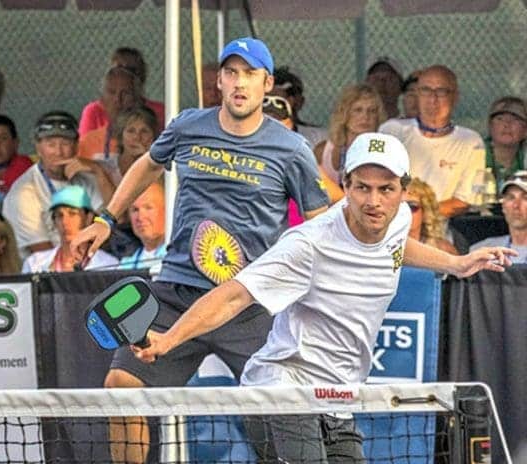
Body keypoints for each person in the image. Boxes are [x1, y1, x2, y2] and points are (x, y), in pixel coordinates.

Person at [133, 132, 515, 463]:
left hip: (337, 397)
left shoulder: (396, 219)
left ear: (403, 190)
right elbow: (233, 296)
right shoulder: (308, 244)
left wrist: (456, 263)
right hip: (280, 389)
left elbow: (399, 246)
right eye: (362, 187)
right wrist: (169, 338)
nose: (373, 201)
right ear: (345, 186)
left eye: (386, 189)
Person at [71, 37, 329, 463]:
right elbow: (148, 163)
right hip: (173, 294)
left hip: (248, 305)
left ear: (267, 85)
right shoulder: (188, 126)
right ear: (221, 82)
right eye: (231, 73)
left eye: (249, 74)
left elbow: (321, 222)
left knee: (282, 421)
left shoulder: (291, 149)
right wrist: (105, 219)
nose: (239, 82)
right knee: (121, 388)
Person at [2, 111, 113, 258]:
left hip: (89, 261)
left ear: (76, 147)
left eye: (65, 144)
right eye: (51, 144)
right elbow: (43, 255)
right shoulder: (24, 193)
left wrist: (99, 171)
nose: (59, 152)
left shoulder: (87, 178)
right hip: (44, 270)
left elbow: (117, 219)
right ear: (38, 148)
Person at [380, 65, 485, 218]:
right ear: (417, 94)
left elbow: (464, 201)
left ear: (455, 96)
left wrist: (419, 216)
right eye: (426, 90)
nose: (433, 99)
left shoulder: (471, 142)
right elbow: (377, 183)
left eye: (441, 91)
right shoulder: (391, 131)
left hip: (441, 231)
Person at [262, 94, 343, 227]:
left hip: (294, 240)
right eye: (268, 121)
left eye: (278, 122)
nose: (273, 128)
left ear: (290, 125)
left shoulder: (299, 159)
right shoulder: (245, 157)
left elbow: (341, 200)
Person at [22, 186, 118, 273]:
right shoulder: (34, 263)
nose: (64, 221)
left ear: (89, 217)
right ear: (54, 221)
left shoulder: (109, 264)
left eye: (72, 214)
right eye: (59, 215)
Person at [79, 47, 165, 136]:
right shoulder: (94, 111)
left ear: (143, 75)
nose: (124, 74)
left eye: (132, 70)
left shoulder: (160, 112)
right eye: (118, 68)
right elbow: (85, 145)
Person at [316, 83, 386, 186]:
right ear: (344, 114)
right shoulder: (322, 151)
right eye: (358, 110)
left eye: (372, 111)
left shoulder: (385, 152)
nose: (365, 117)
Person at [78, 66, 143, 161]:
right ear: (101, 100)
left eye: (125, 93)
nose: (118, 99)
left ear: (137, 99)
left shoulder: (148, 140)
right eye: (112, 92)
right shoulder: (87, 142)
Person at [471, 171, 527, 263]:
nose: (516, 205)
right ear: (503, 206)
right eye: (511, 197)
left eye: (525, 198)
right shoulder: (482, 252)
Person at [272, 66, 327, 147]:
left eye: (278, 100)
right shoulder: (251, 138)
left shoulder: (319, 137)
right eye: (266, 99)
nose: (271, 105)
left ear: (299, 101)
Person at [118, 182, 166, 270]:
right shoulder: (125, 265)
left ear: (167, 210)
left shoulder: (178, 257)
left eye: (148, 208)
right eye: (135, 210)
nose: (140, 217)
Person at [483, 96, 527, 187]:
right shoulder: (474, 154)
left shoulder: (525, 158)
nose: (507, 124)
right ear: (490, 126)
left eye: (515, 119)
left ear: (525, 130)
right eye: (500, 119)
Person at [407, 177, 458, 254]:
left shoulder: (443, 250)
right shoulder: (383, 248)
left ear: (425, 213)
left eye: (412, 207)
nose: (404, 211)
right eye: (398, 206)